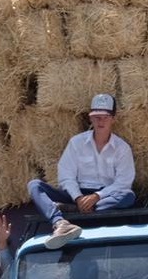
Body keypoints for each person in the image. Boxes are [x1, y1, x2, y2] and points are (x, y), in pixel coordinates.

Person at [27, 93, 136, 249]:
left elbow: (123, 182)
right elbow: (66, 175)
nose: (101, 121)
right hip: (76, 194)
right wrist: (78, 198)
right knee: (34, 185)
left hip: (105, 197)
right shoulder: (76, 143)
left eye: (105, 117)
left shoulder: (122, 148)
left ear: (113, 119)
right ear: (90, 118)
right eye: (96, 117)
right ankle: (60, 223)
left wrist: (97, 196)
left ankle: (77, 210)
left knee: (128, 196)